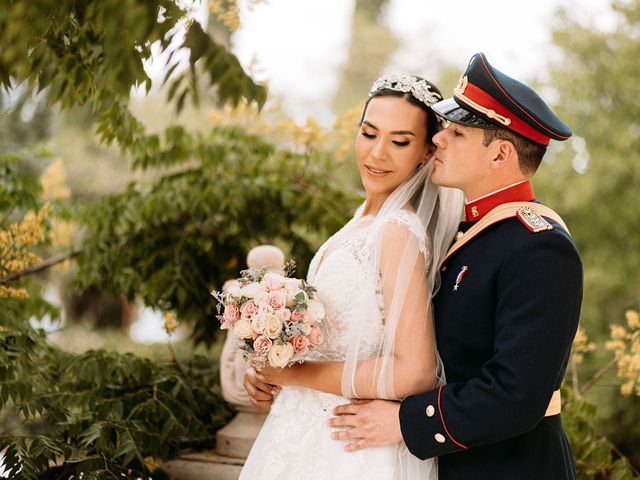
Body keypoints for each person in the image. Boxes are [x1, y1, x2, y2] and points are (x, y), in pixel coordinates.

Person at [327, 53, 583, 479]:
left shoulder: (538, 246)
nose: (439, 140)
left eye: (458, 132)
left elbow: (515, 394)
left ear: (500, 155)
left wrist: (405, 422)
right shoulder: (467, 231)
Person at [239, 74, 463, 480]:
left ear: (426, 153)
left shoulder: (398, 231)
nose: (377, 153)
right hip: (301, 434)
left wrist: (293, 374)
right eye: (369, 133)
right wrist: (272, 366)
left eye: (399, 142)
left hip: (350, 447)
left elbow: (417, 371)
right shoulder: (362, 220)